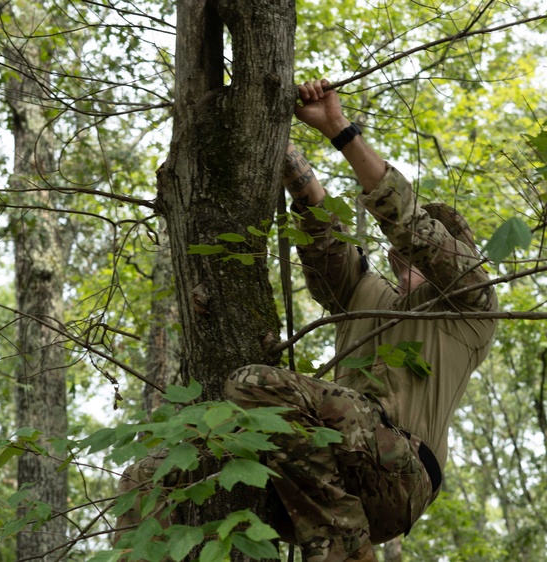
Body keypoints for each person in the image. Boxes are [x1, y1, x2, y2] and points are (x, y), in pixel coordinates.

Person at [115, 78, 497, 562]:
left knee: (253, 384)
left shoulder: (470, 308)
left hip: (400, 474)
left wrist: (339, 128)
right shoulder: (369, 293)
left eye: (430, 241)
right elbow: (325, 236)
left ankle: (343, 548)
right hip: (321, 467)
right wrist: (284, 152)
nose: (406, 250)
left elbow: (411, 224)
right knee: (152, 476)